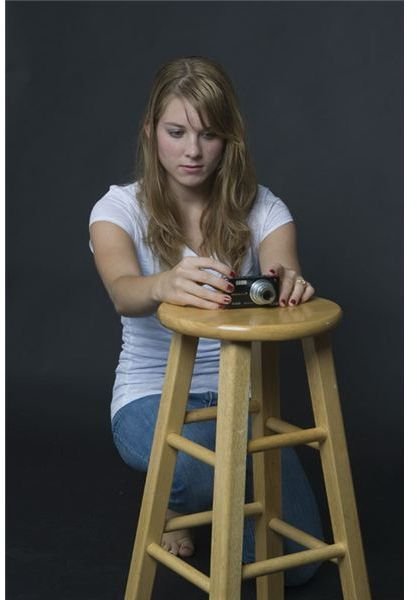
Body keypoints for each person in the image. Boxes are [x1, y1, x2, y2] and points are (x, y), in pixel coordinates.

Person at [89, 56, 323, 586]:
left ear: (229, 140)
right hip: (151, 397)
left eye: (209, 135)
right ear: (151, 133)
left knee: (299, 567)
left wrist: (292, 284)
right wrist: (164, 284)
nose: (192, 151)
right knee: (207, 479)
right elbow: (124, 293)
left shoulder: (263, 207)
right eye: (176, 132)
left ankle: (196, 500)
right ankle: (181, 501)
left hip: (241, 401)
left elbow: (285, 269)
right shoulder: (118, 208)